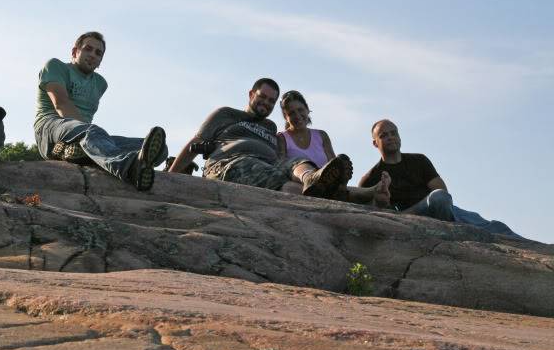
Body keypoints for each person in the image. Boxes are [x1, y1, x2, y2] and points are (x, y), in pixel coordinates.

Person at [167, 78, 352, 198]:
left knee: (295, 161)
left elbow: (281, 158)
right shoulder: (226, 114)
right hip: (233, 162)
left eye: (272, 101)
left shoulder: (270, 127)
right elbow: (194, 143)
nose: (266, 103)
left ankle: (310, 178)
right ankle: (322, 196)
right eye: (262, 97)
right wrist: (169, 178)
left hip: (269, 163)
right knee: (285, 185)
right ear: (250, 94)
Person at [34, 31, 167, 191]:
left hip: (84, 135)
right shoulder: (55, 66)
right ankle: (128, 167)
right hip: (50, 128)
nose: (92, 55)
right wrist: (87, 133)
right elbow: (61, 104)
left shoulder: (100, 83)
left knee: (157, 149)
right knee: (93, 132)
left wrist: (88, 138)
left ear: (101, 61)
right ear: (75, 51)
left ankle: (78, 153)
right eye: (87, 49)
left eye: (98, 53)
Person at [359, 119, 520, 237]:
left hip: (440, 209)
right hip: (406, 219)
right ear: (375, 143)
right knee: (438, 198)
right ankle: (450, 237)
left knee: (495, 227)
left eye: (394, 133)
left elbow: (442, 191)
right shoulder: (371, 178)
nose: (390, 137)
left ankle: (543, 250)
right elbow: (370, 212)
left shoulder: (419, 161)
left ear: (400, 136)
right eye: (384, 135)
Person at [278, 90, 390, 205]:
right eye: (291, 113)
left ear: (307, 109)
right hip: (301, 185)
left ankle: (375, 191)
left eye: (300, 110)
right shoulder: (282, 138)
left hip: (328, 185)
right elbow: (281, 168)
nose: (297, 116)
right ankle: (372, 192)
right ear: (285, 117)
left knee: (336, 185)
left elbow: (335, 165)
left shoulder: (321, 136)